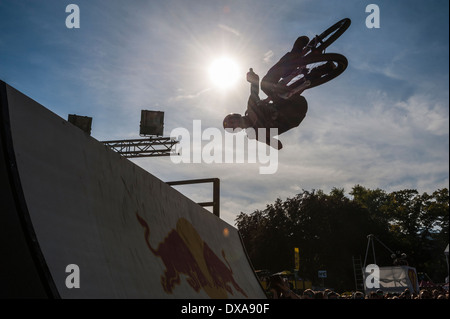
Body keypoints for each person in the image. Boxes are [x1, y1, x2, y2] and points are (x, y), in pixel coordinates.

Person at [223, 36, 311, 150]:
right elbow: (279, 146)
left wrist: (252, 79)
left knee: (268, 84)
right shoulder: (253, 133)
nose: (234, 121)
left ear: (235, 115)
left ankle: (302, 59)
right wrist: (267, 139)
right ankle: (296, 59)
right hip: (293, 114)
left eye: (231, 119)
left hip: (288, 103)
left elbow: (254, 88)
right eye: (232, 125)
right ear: (237, 129)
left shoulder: (250, 107)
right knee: (267, 86)